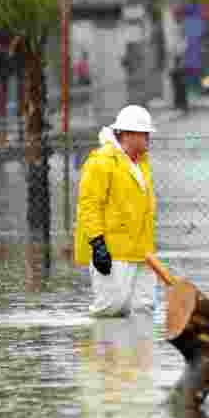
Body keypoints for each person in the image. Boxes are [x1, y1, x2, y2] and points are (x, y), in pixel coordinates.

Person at [73, 104, 158, 318]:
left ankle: (140, 352)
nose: (148, 138)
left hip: (142, 252)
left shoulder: (141, 163)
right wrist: (97, 244)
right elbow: (89, 206)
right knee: (111, 309)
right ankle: (102, 349)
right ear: (127, 134)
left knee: (143, 309)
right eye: (144, 133)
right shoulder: (101, 162)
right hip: (113, 252)